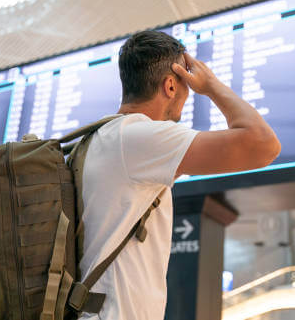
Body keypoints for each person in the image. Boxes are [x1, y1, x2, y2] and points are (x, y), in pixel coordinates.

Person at [78, 30, 280, 320]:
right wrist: (211, 86)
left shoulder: (96, 139)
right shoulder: (140, 138)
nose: (188, 95)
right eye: (186, 85)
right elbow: (264, 145)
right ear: (171, 85)